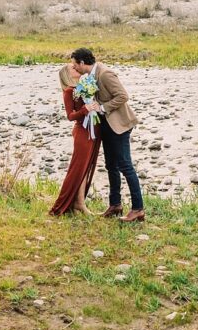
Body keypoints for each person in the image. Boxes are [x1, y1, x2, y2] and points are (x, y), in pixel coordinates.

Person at [69, 47, 144, 223]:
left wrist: (102, 108)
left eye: (75, 64)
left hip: (119, 125)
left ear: (82, 62)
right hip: (107, 126)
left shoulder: (105, 74)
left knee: (125, 166)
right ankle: (115, 205)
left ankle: (138, 209)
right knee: (111, 165)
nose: (74, 68)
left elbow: (123, 96)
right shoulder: (89, 77)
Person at [49, 63, 102, 215]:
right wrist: (85, 109)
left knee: (85, 167)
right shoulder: (69, 91)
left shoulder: (83, 86)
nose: (76, 68)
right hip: (82, 132)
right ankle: (63, 205)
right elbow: (70, 116)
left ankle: (79, 203)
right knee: (77, 168)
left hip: (92, 130)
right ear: (68, 75)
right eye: (73, 68)